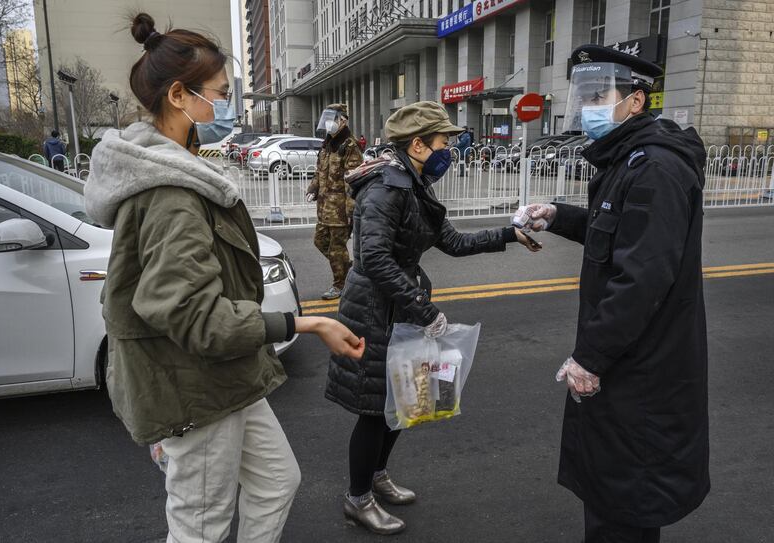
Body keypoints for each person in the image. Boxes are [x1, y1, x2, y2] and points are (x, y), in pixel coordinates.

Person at [84, 14, 365, 543]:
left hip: (220, 376)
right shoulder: (172, 195)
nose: (224, 106)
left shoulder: (173, 172)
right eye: (217, 94)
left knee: (277, 481)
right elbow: (193, 315)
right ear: (179, 96)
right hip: (193, 385)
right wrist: (305, 325)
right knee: (199, 528)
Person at [325, 101, 540, 535]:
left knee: (405, 400)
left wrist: (508, 235)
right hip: (374, 311)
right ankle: (358, 498)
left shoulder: (414, 182)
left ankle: (378, 476)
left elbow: (454, 242)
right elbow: (374, 259)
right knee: (373, 410)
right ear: (418, 145)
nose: (450, 151)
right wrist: (426, 312)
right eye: (445, 142)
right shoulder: (386, 187)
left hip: (402, 306)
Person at [523, 44, 710, 542]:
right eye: (583, 95)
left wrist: (591, 356)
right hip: (627, 362)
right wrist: (558, 215)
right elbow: (619, 231)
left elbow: (642, 277)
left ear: (636, 102)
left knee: (626, 504)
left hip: (641, 369)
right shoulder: (627, 160)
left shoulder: (654, 168)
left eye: (599, 94)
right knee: (610, 493)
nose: (588, 106)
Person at [306, 104, 364, 300]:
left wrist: (351, 212)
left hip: (340, 210)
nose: (328, 124)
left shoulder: (349, 146)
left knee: (336, 249)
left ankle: (340, 285)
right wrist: (313, 188)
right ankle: (348, 270)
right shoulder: (327, 144)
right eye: (327, 119)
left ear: (343, 121)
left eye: (333, 119)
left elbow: (353, 180)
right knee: (320, 241)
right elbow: (319, 172)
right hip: (324, 207)